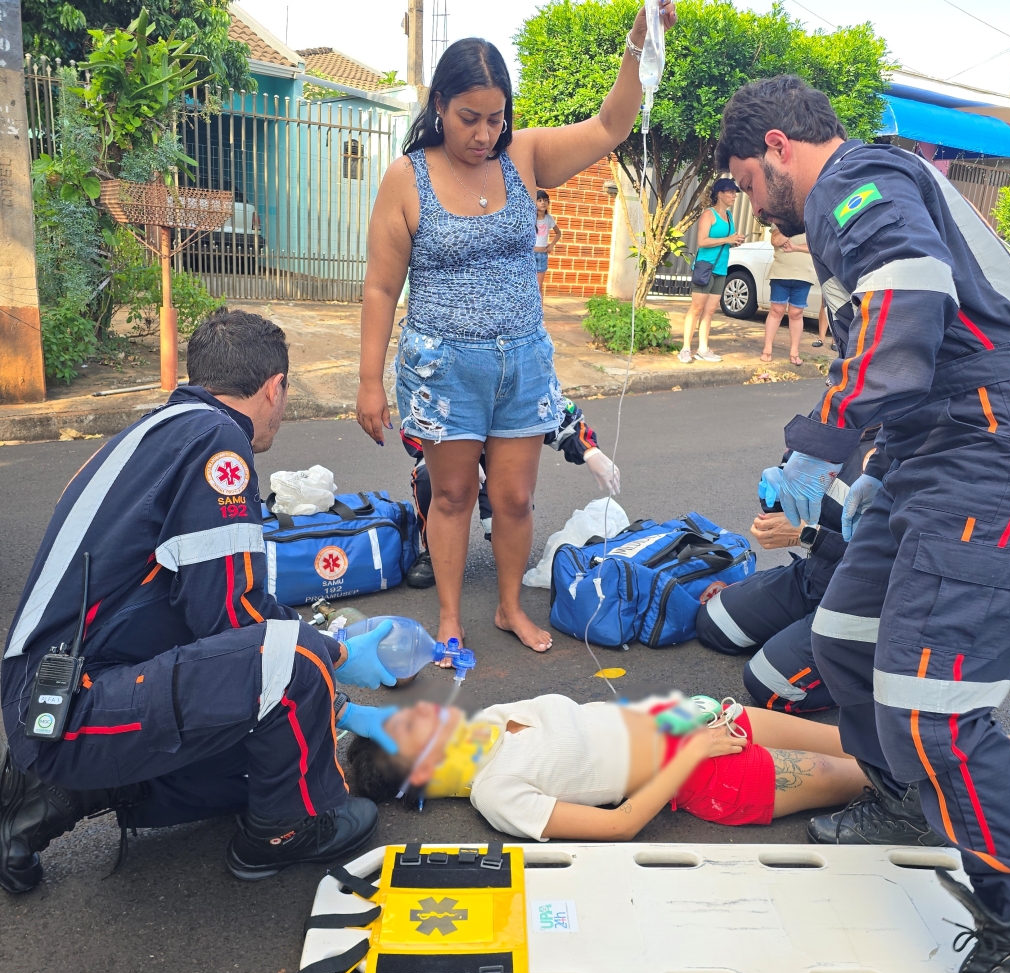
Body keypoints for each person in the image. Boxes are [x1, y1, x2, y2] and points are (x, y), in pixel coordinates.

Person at [717, 73, 1010, 973]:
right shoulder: (882, 183)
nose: (757, 204)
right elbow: (911, 345)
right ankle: (908, 805)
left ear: (779, 147)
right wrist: (871, 466)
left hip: (1002, 445)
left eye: (749, 179)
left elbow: (907, 307)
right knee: (841, 643)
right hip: (940, 453)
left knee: (935, 704)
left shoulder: (853, 180)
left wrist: (820, 446)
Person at [0, 310, 400, 895]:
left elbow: (210, 603)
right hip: (78, 706)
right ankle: (280, 836)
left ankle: (55, 795)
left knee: (272, 761)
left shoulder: (162, 429)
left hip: (56, 700)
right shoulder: (220, 443)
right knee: (293, 670)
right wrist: (331, 657)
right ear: (274, 387)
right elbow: (233, 620)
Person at [357, 9, 676, 657]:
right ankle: (450, 617)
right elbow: (381, 288)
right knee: (450, 495)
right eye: (470, 118)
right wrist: (368, 380)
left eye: (496, 117)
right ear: (440, 104)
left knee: (515, 497)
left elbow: (611, 125)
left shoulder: (524, 156)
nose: (484, 134)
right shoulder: (406, 176)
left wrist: (636, 44)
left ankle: (507, 607)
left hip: (521, 362)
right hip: (443, 367)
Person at [342, 694, 1010, 842]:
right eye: (415, 732)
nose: (430, 714)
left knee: (876, 747)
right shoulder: (499, 795)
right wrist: (695, 753)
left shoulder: (489, 718)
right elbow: (624, 823)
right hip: (710, 778)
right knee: (885, 783)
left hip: (697, 724)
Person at [697, 428, 883, 717]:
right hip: (821, 574)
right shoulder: (835, 418)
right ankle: (805, 633)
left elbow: (903, 556)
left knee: (770, 686)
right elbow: (797, 487)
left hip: (876, 600)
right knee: (714, 623)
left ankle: (885, 673)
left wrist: (810, 536)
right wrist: (776, 495)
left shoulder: (922, 441)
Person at [402, 398, 620, 589]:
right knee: (430, 480)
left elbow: (553, 406)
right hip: (449, 447)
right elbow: (415, 422)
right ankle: (434, 552)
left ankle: (509, 568)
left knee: (507, 511)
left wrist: (589, 450)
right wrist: (457, 459)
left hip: (500, 456)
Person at [679, 178, 744, 364]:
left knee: (710, 310)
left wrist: (735, 241)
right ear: (720, 194)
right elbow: (702, 241)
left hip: (721, 269)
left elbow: (727, 241)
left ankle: (703, 349)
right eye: (731, 192)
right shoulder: (709, 214)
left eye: (735, 193)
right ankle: (685, 349)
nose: (734, 196)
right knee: (697, 308)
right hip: (705, 267)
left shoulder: (729, 217)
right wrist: (727, 239)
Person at [761, 227, 815, 365]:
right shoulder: (782, 216)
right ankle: (767, 350)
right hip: (781, 272)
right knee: (776, 311)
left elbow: (815, 246)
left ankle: (794, 351)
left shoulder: (811, 216)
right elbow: (776, 240)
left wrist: (795, 247)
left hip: (804, 274)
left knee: (796, 313)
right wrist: (791, 223)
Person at [534, 189, 562, 302]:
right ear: (534, 202)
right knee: (529, 285)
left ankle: (540, 315)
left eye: (545, 200)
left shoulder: (549, 219)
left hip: (542, 256)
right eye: (539, 200)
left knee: (539, 286)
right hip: (530, 255)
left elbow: (558, 233)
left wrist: (551, 245)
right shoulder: (531, 219)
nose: (543, 203)